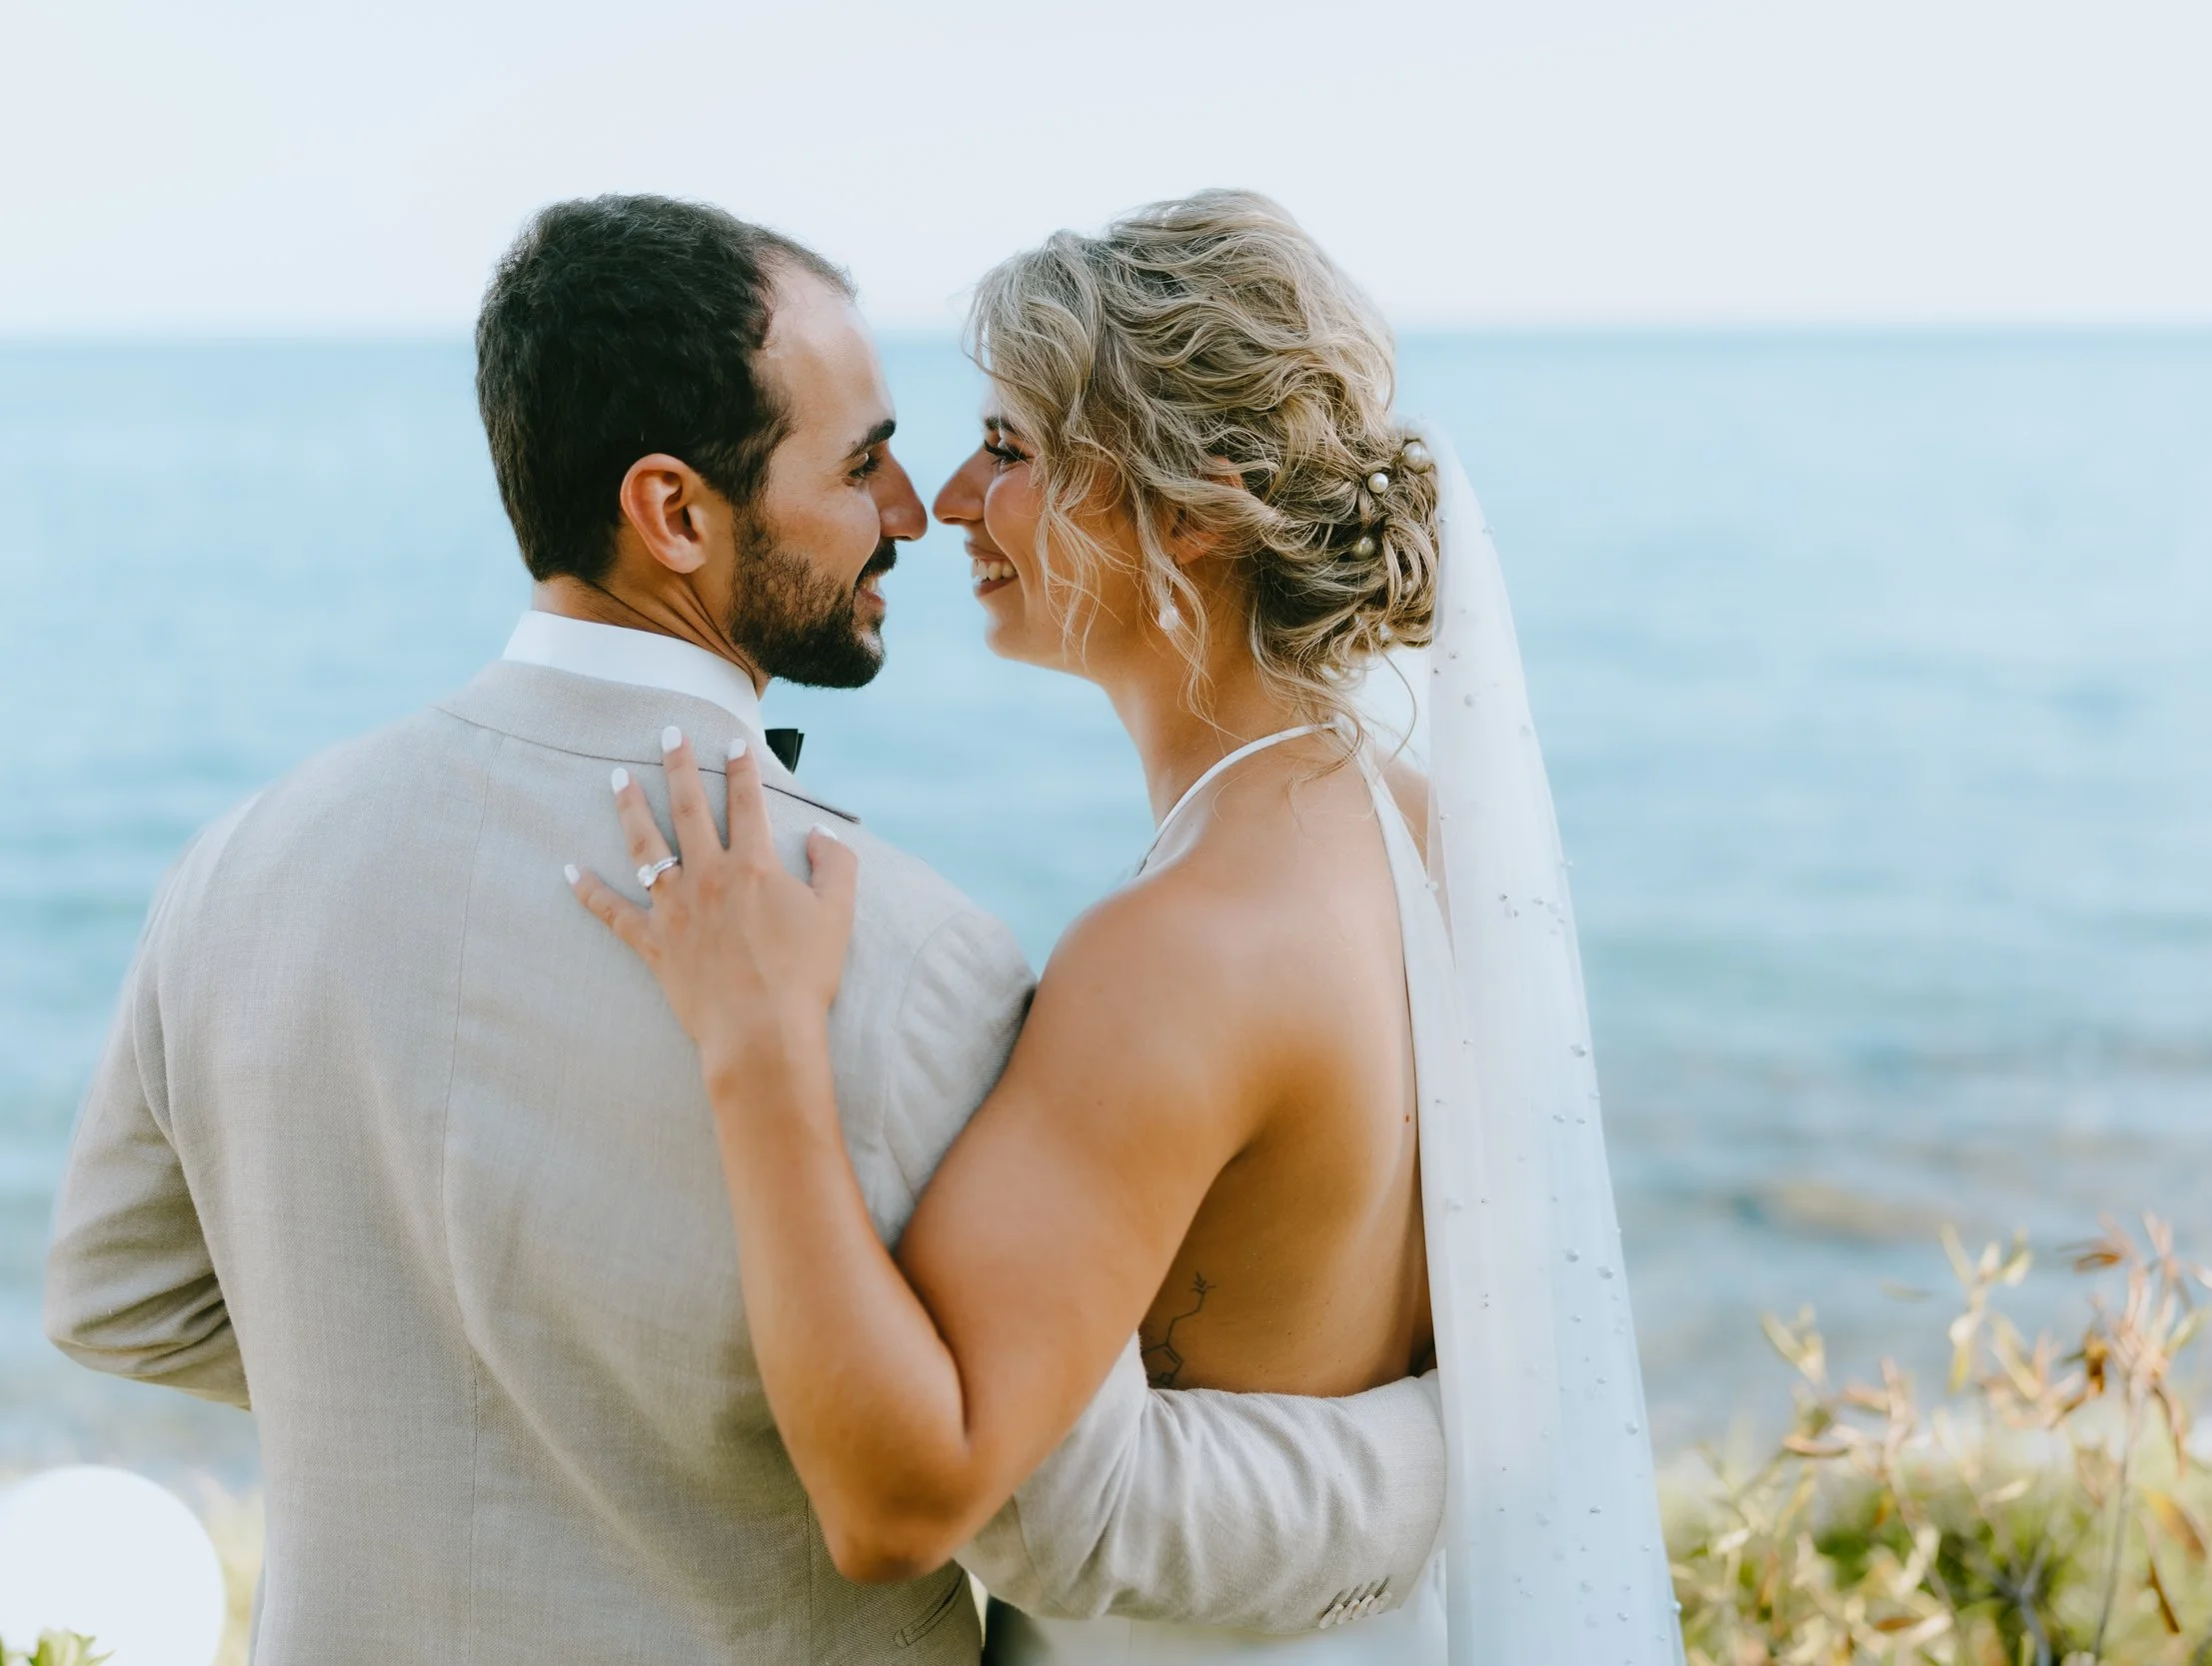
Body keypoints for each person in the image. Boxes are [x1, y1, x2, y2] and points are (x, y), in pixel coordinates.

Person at [44, 195, 1447, 1664]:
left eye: (995, 447)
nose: (926, 502)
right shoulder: (916, 955)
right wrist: (1461, 1451)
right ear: (675, 511)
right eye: (866, 462)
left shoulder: (237, 861)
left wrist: (437, 1389)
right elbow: (1031, 1494)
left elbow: (119, 1295)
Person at [575, 191, 1682, 1663]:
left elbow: (904, 1494)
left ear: (1197, 505)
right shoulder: (1426, 827)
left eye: (1014, 450)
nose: (949, 497)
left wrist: (759, 1040)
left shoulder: (1181, 950)